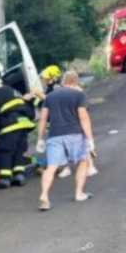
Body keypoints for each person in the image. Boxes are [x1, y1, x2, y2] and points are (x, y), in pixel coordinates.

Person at [36, 70, 95, 211]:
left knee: (51, 167)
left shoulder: (50, 97)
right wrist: (90, 139)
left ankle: (44, 195)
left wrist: (40, 139)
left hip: (54, 135)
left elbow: (43, 118)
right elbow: (83, 117)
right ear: (76, 82)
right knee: (82, 162)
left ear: (63, 81)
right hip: (75, 134)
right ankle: (79, 193)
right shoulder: (79, 95)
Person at [0, 77, 36, 189]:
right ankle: (19, 177)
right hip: (23, 124)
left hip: (12, 124)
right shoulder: (15, 92)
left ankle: (4, 181)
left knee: (5, 150)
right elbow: (31, 114)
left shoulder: (2, 90)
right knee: (18, 151)